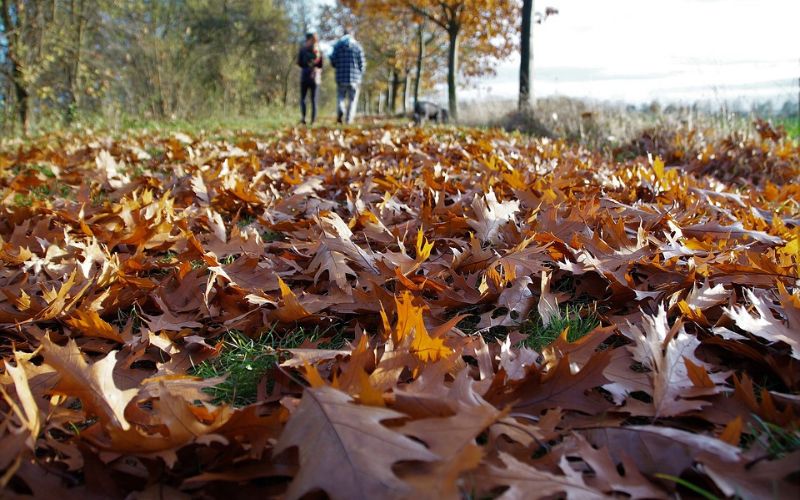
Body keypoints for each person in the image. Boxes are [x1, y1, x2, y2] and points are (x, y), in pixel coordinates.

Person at [329, 28, 365, 124]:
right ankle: (348, 120)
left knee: (340, 97)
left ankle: (341, 108)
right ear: (352, 35)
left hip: (341, 77)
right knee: (352, 100)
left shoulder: (338, 46)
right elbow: (362, 64)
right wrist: (360, 75)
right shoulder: (357, 46)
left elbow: (333, 60)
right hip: (355, 78)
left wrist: (337, 65)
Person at [297, 32, 323, 125]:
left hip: (305, 76)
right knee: (314, 99)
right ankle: (313, 120)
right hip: (315, 77)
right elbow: (320, 65)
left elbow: (299, 63)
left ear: (307, 39)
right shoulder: (318, 50)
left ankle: (303, 118)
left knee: (303, 98)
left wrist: (306, 66)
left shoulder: (303, 50)